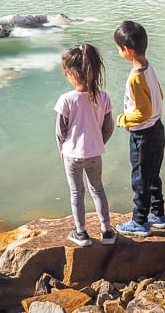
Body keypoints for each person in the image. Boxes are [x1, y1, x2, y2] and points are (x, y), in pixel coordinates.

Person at [54, 43, 116, 247]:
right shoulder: (103, 96)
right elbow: (108, 127)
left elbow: (59, 131)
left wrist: (62, 148)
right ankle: (107, 231)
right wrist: (97, 143)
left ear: (72, 74)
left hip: (72, 155)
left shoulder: (66, 99)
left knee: (76, 192)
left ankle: (81, 233)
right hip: (94, 154)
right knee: (98, 189)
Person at [113, 21, 165, 237]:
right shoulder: (148, 67)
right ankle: (158, 214)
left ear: (128, 51)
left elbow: (142, 113)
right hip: (157, 128)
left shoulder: (135, 78)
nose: (118, 52)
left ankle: (140, 221)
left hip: (143, 135)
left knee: (140, 178)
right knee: (153, 174)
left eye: (118, 49)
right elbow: (160, 95)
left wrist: (122, 119)